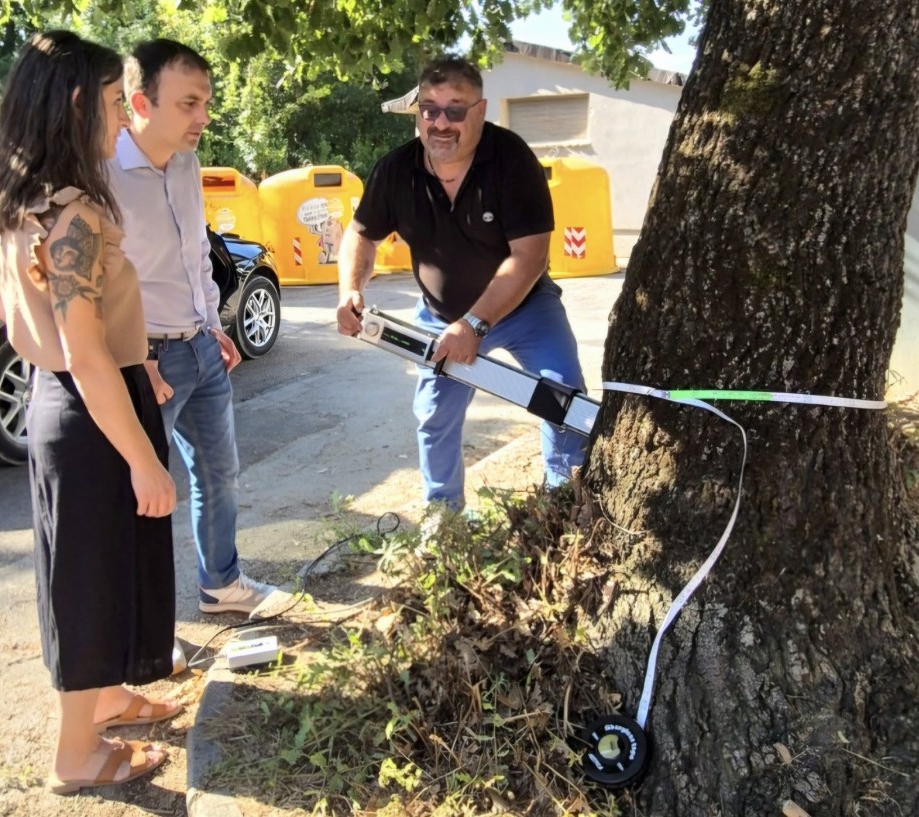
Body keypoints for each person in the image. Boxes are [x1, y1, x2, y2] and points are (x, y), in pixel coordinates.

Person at [0, 30, 178, 794]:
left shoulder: (15, 195)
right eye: (120, 102)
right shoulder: (78, 211)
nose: (126, 119)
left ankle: (112, 701)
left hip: (75, 403)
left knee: (102, 571)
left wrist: (53, 344)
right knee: (89, 583)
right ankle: (76, 754)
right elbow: (84, 352)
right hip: (94, 417)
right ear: (83, 102)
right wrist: (144, 458)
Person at [335, 55, 588, 515]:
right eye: (429, 108)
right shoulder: (396, 170)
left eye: (455, 109)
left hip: (526, 309)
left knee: (564, 399)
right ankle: (443, 517)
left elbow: (530, 257)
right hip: (439, 315)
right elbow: (361, 234)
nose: (441, 122)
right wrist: (350, 290)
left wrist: (474, 323)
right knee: (434, 416)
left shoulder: (511, 160)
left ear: (480, 110)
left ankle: (563, 505)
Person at [108, 38, 285, 619]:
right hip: (145, 363)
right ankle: (137, 633)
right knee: (138, 493)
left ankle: (222, 587)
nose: (203, 117)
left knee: (219, 475)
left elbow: (193, 256)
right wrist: (133, 355)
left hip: (202, 347)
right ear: (141, 101)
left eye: (205, 102)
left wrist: (214, 325)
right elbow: (100, 281)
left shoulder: (186, 167)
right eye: (188, 103)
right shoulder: (102, 170)